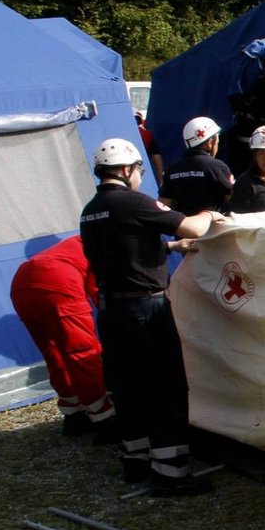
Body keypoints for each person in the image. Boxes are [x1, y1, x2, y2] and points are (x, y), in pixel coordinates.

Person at [80, 138, 225, 496]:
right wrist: (210, 213)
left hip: (111, 311)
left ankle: (136, 460)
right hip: (146, 309)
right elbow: (192, 226)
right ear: (127, 169)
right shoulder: (133, 202)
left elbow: (124, 250)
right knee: (165, 387)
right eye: (137, 172)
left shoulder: (91, 210)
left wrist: (172, 249)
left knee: (128, 387)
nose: (138, 178)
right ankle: (171, 472)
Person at [9, 234, 115, 441]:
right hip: (58, 282)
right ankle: (105, 419)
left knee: (54, 354)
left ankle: (73, 414)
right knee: (83, 354)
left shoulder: (77, 241)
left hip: (21, 284)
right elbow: (98, 291)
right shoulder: (105, 241)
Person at [161, 116, 235, 216]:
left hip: (183, 227)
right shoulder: (217, 166)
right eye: (217, 139)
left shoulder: (172, 169)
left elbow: (164, 205)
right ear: (210, 142)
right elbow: (234, 199)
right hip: (213, 228)